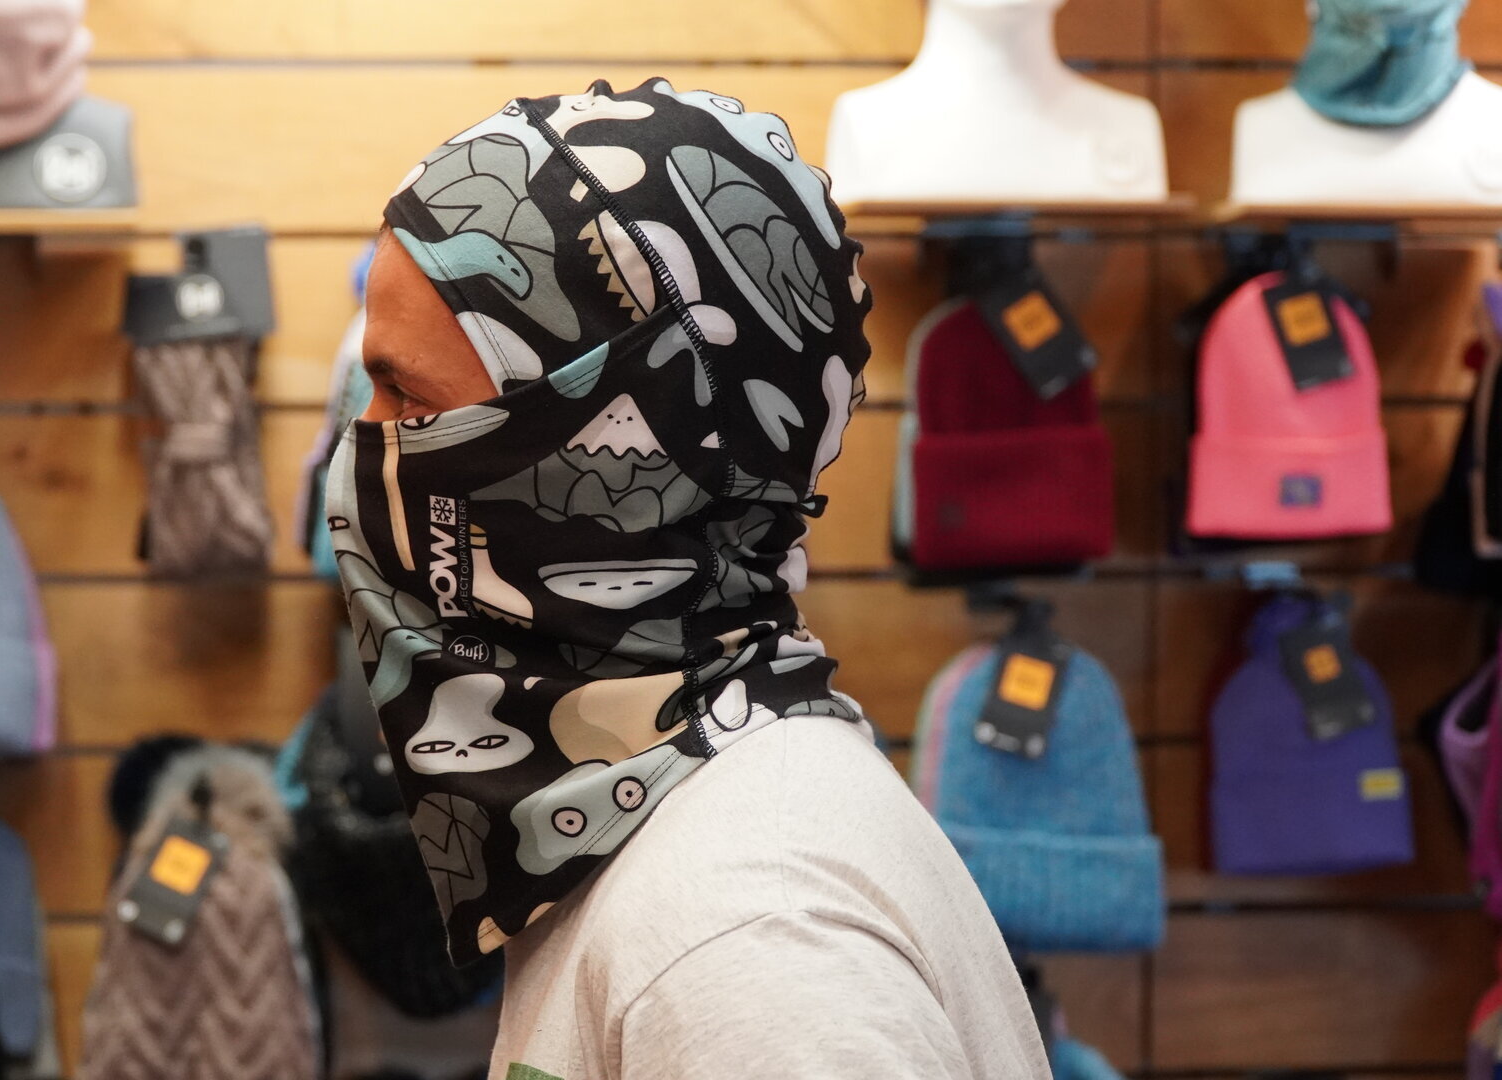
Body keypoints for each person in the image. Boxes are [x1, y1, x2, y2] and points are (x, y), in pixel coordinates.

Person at [323, 77, 1049, 1079]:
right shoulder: (684, 825)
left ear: (618, 443)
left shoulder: (750, 941)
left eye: (406, 397)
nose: (358, 448)